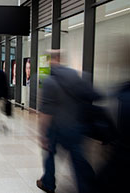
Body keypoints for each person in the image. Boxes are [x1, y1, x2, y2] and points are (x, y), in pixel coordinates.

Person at [37, 50, 100, 193]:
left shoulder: (49, 81)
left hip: (55, 126)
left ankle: (48, 183)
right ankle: (87, 187)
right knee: (78, 158)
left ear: (50, 60)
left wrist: (42, 134)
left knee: (49, 155)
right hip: (75, 125)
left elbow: (46, 112)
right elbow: (93, 95)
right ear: (60, 59)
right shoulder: (76, 76)